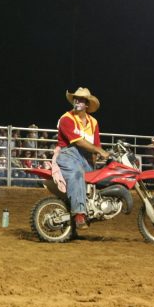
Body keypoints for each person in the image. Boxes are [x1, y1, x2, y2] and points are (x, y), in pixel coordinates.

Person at [53, 87, 109, 230]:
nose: (77, 101)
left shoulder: (93, 122)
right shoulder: (66, 118)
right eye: (76, 99)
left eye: (81, 100)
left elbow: (96, 144)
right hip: (69, 154)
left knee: (100, 177)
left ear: (87, 104)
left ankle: (94, 208)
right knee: (77, 174)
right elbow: (78, 142)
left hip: (87, 158)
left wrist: (96, 155)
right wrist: (98, 150)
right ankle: (79, 213)